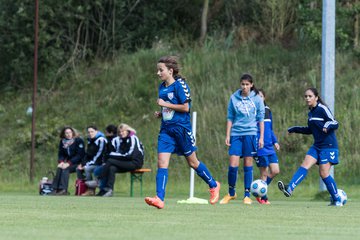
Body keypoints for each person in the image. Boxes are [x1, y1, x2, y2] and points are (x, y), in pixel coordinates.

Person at [145, 56, 220, 209]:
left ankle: (213, 184)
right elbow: (169, 107)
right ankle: (159, 198)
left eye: (161, 70)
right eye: (157, 70)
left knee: (193, 162)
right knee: (162, 163)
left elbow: (185, 108)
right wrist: (162, 113)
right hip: (166, 131)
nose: (158, 73)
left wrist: (165, 104)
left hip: (182, 130)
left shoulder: (180, 85)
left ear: (170, 71)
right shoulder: (162, 87)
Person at [277, 87, 343, 206]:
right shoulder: (310, 112)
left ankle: (337, 199)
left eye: (310, 96)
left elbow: (335, 122)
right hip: (317, 146)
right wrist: (295, 129)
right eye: (305, 96)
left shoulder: (322, 109)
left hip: (329, 146)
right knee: (305, 165)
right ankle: (290, 188)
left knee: (323, 173)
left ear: (316, 98)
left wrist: (327, 126)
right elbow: (310, 130)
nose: (307, 98)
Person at [220, 73, 265, 205]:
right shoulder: (234, 98)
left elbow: (261, 118)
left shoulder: (257, 99)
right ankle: (231, 193)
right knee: (233, 164)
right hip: (236, 134)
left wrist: (261, 137)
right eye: (242, 84)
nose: (244, 87)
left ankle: (247, 195)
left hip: (250, 134)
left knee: (248, 163)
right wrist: (228, 135)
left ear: (251, 85)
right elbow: (230, 117)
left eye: (247, 84)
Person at [98, 123, 144, 197]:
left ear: (127, 131)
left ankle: (98, 181)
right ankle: (110, 190)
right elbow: (121, 153)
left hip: (135, 163)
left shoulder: (133, 138)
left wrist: (111, 155)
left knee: (110, 160)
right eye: (119, 132)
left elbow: (129, 155)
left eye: (123, 131)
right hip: (127, 162)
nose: (121, 133)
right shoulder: (122, 140)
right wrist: (113, 155)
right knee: (112, 168)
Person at [254, 89, 280, 204]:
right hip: (260, 146)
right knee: (264, 173)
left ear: (264, 97)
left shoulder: (268, 110)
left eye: (261, 96)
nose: (259, 98)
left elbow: (270, 128)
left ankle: (259, 189)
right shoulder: (254, 112)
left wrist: (275, 141)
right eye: (256, 96)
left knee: (275, 170)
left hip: (270, 147)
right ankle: (263, 198)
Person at [52, 126, 85, 195]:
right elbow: (61, 154)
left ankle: (64, 190)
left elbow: (79, 155)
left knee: (65, 169)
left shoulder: (79, 140)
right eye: (66, 133)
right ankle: (55, 189)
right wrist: (61, 162)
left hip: (79, 163)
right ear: (64, 134)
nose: (68, 134)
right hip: (69, 163)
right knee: (60, 168)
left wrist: (68, 163)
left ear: (72, 133)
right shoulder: (62, 141)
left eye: (70, 132)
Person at [76, 125, 107, 196]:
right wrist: (82, 164)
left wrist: (87, 165)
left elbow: (99, 155)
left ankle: (91, 190)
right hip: (93, 162)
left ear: (97, 131)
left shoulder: (101, 140)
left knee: (87, 169)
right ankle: (83, 188)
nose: (90, 133)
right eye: (89, 132)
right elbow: (87, 155)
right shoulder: (90, 140)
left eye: (92, 132)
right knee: (78, 168)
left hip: (100, 163)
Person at [93, 124, 118, 196]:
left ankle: (102, 188)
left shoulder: (113, 140)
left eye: (106, 132)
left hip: (112, 162)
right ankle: (102, 188)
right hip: (108, 162)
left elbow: (111, 153)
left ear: (111, 133)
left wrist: (105, 162)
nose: (105, 134)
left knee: (99, 170)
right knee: (99, 169)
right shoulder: (108, 140)